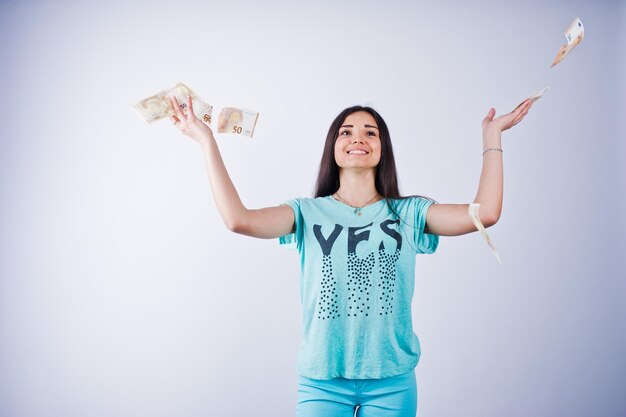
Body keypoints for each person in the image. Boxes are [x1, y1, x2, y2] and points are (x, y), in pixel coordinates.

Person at [168, 96, 533, 417]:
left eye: (370, 132)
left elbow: (485, 214)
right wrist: (206, 140)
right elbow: (238, 219)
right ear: (333, 147)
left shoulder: (409, 213)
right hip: (322, 381)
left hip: (392, 381)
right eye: (346, 131)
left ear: (382, 148)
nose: (358, 137)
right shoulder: (306, 212)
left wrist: (492, 138)